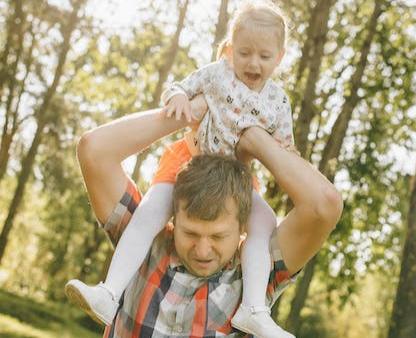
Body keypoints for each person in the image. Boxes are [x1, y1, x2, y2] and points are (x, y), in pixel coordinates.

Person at [66, 2, 300, 337]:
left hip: (235, 177)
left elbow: (286, 146)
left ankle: (253, 309)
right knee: (149, 213)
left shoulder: (277, 101)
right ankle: (109, 292)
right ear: (231, 50)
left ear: (278, 57)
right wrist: (183, 105)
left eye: (264, 56)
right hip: (188, 161)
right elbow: (181, 86)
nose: (252, 63)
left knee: (264, 223)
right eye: (245, 53)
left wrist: (265, 145)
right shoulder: (218, 74)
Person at [66, 96, 342, 337]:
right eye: (190, 233)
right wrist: (191, 112)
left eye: (219, 236)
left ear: (242, 226)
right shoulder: (143, 243)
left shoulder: (258, 272)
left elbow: (324, 205)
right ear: (174, 216)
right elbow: (94, 149)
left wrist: (255, 139)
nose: (202, 250)